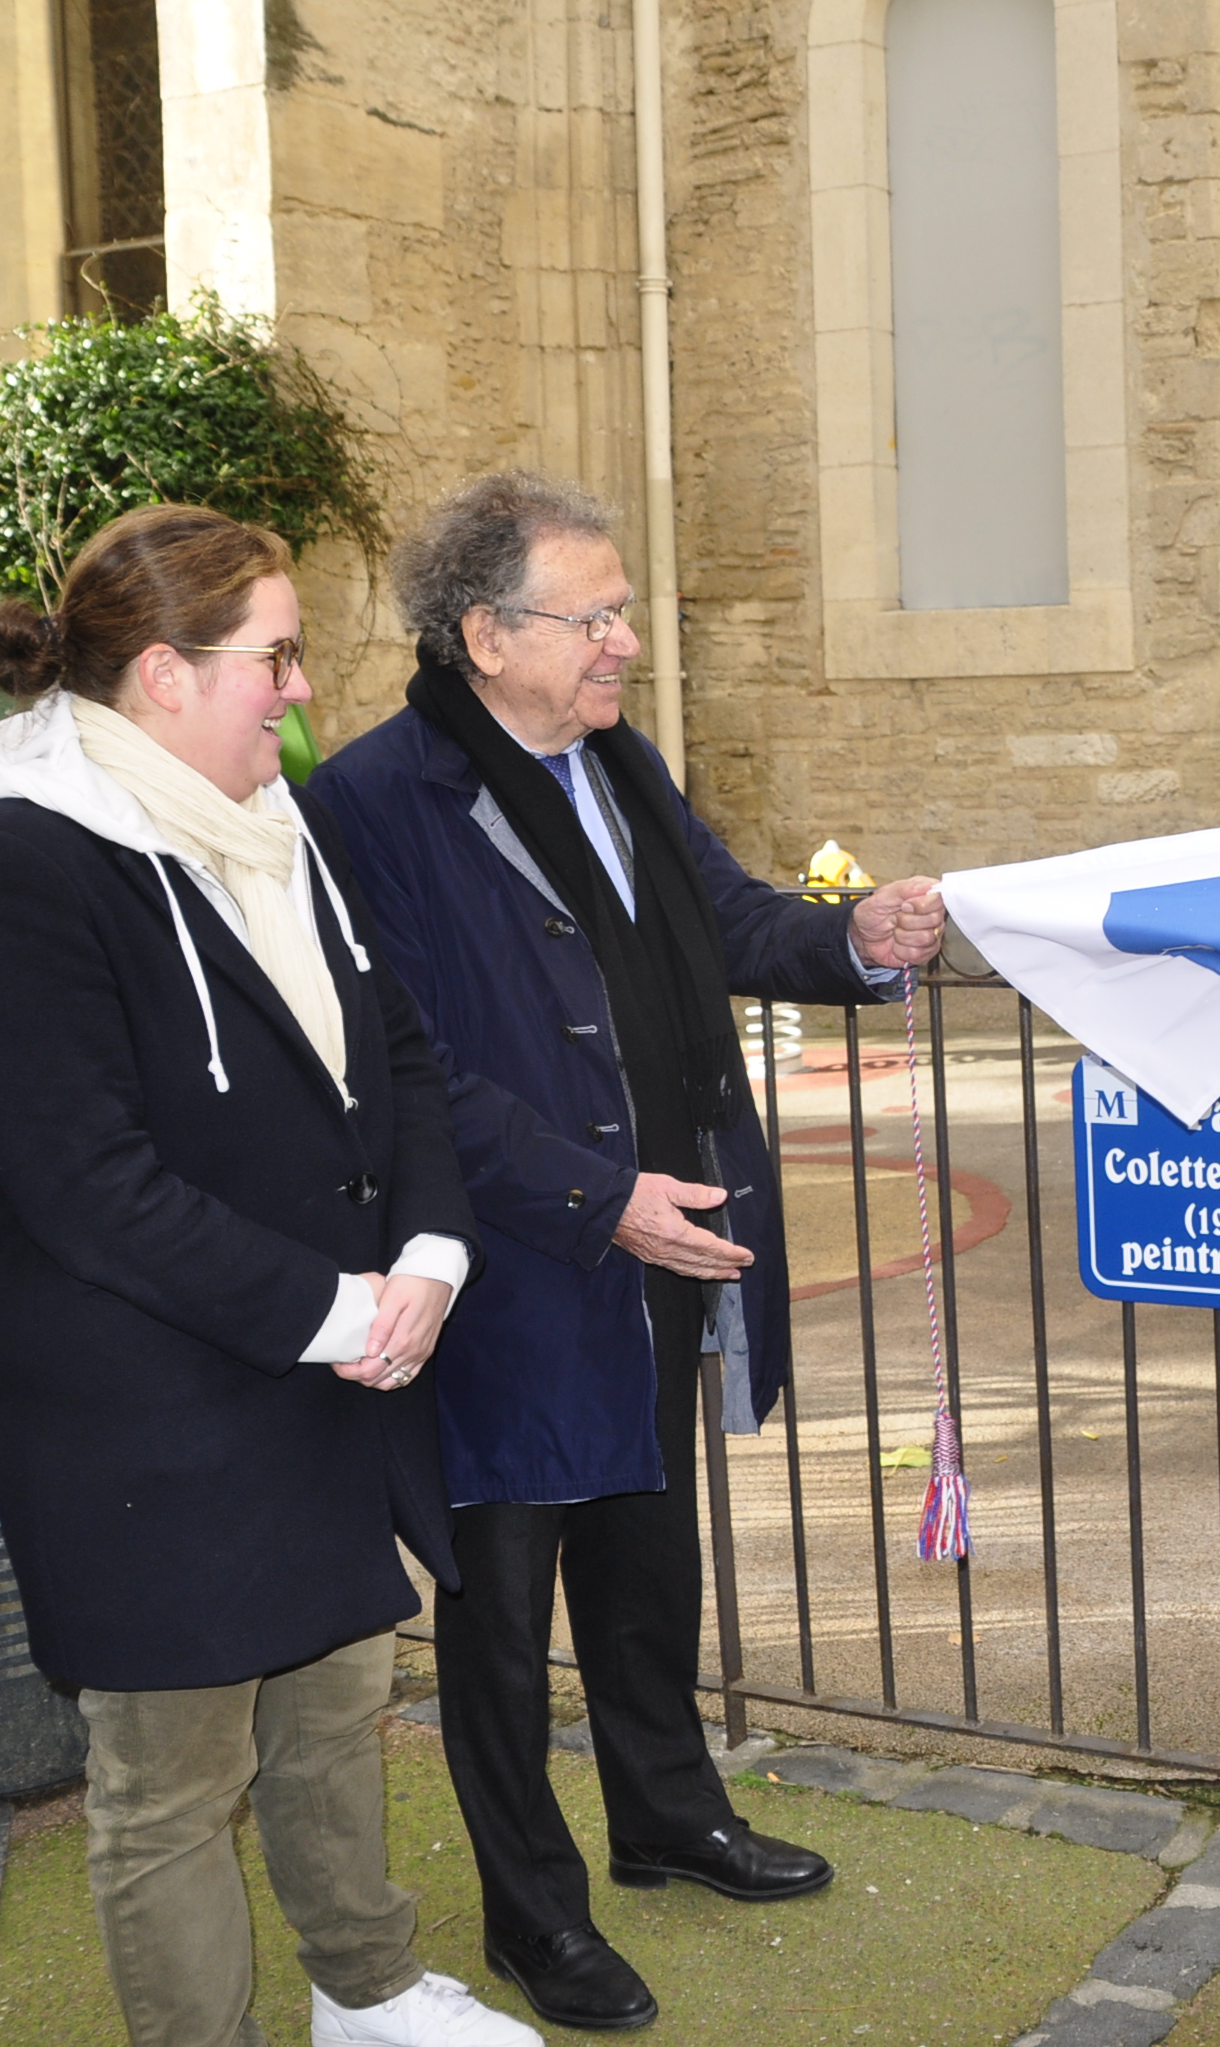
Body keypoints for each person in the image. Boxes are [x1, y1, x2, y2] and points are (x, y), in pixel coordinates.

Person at [311, 473, 948, 2034]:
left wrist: (853, 940)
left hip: (673, 1236)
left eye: (622, 611)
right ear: (484, 636)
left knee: (648, 1558)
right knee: (505, 1614)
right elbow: (406, 1066)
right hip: (510, 1269)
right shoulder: (376, 803)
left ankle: (671, 1820)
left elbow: (726, 919)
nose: (624, 644)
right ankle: (538, 1918)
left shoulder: (619, 763)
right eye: (590, 616)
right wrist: (596, 1198)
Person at [0, 505, 537, 2047]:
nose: (300, 691)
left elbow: (395, 1055)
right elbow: (86, 1189)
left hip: (332, 1379)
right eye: (273, 656)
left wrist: (433, 1255)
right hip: (146, 1421)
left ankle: (369, 1993)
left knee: (334, 1714)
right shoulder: (17, 879)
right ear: (163, 678)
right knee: (173, 1787)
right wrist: (342, 1312)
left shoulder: (277, 828)